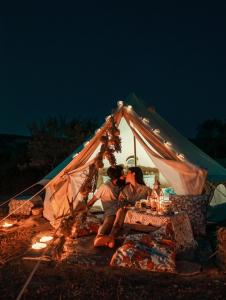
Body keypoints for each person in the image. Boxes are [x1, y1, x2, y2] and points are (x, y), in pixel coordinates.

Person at [108, 167, 152, 243]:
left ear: (133, 174)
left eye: (128, 173)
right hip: (128, 214)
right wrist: (125, 204)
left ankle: (111, 237)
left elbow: (152, 204)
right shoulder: (125, 189)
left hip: (142, 215)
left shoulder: (147, 190)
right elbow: (120, 202)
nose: (125, 175)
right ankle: (111, 236)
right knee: (121, 211)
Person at [87, 165, 124, 247]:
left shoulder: (122, 184)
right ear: (118, 176)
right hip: (110, 212)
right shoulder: (105, 187)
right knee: (109, 221)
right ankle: (99, 237)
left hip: (121, 210)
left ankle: (108, 239)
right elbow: (92, 200)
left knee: (116, 219)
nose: (124, 174)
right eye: (122, 173)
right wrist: (83, 211)